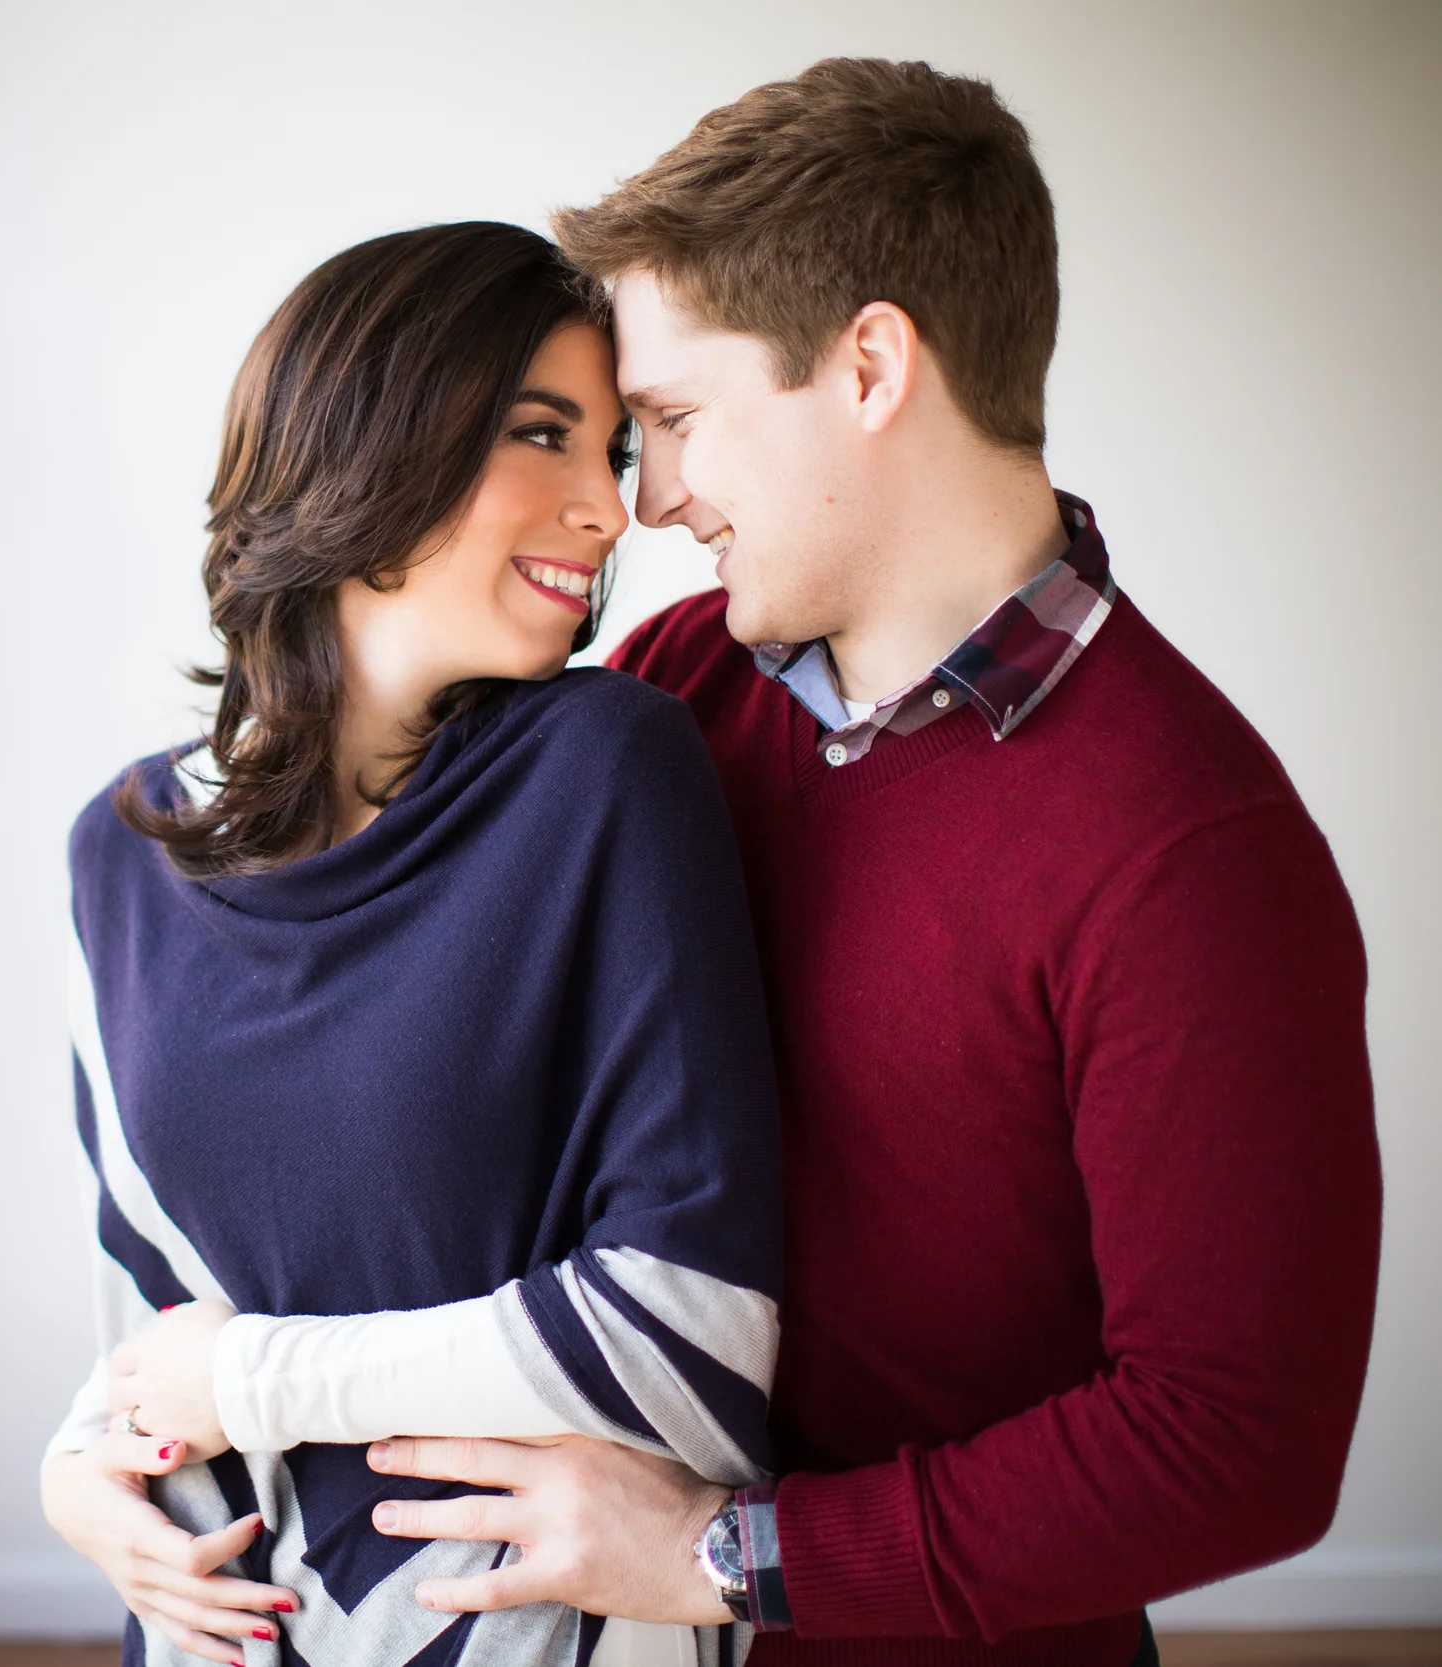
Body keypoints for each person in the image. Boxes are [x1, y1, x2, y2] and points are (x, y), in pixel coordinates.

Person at [101, 57, 1383, 1667]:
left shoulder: (1193, 852)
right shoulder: (668, 691)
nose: (647, 499)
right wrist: (111, 1431)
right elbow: (360, 1110)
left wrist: (731, 1557)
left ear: (868, 368)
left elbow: (1235, 1447)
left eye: (674, 420)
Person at [39, 221, 786, 1667]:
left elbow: (692, 1336)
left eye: (615, 455)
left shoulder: (605, 774)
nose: (611, 511)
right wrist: (75, 1458)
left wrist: (250, 1379)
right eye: (543, 435)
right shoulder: (121, 849)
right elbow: (147, 1331)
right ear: (369, 440)